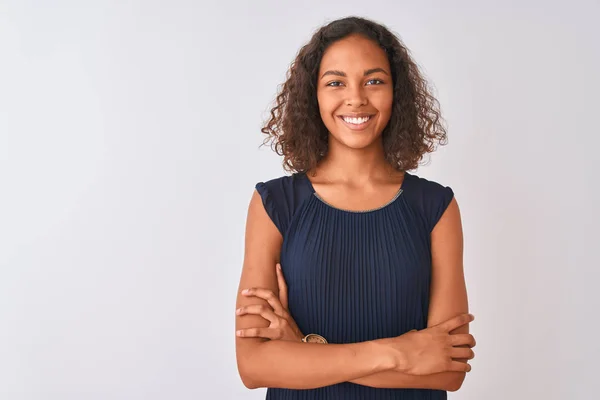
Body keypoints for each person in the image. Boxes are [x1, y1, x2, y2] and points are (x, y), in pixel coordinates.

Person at [234, 16, 476, 399]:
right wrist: (400, 353)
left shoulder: (435, 207)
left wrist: (305, 350)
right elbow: (253, 366)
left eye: (374, 80)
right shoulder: (275, 204)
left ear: (397, 92)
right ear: (313, 95)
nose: (356, 98)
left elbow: (448, 372)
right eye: (335, 82)